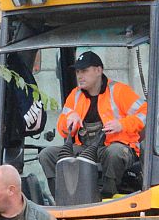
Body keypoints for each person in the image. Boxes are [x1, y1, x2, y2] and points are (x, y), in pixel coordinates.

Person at [38, 51, 146, 198]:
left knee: (114, 152)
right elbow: (62, 129)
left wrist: (122, 124)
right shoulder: (75, 95)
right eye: (77, 72)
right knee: (47, 155)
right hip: (84, 149)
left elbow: (146, 113)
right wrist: (70, 118)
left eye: (84, 71)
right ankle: (62, 198)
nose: (79, 76)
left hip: (117, 147)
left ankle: (108, 196)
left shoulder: (120, 91)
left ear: (98, 70)